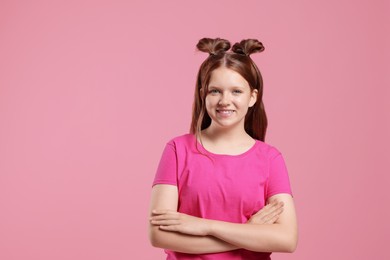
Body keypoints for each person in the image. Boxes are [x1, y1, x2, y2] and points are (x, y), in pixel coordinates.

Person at [148, 37, 298, 260]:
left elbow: (286, 239)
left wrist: (204, 226)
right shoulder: (177, 150)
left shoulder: (270, 159)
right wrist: (249, 230)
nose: (224, 101)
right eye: (215, 91)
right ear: (203, 94)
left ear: (252, 97)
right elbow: (159, 235)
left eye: (236, 91)